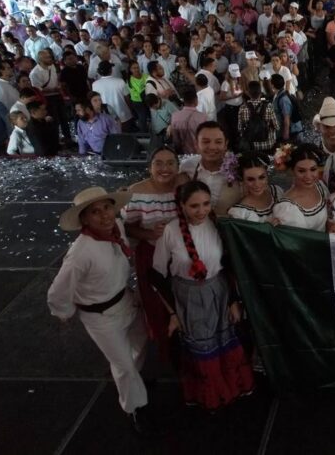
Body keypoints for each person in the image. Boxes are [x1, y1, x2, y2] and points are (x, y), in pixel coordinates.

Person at [47, 187, 158, 436]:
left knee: (139, 342)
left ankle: (133, 382)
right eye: (95, 212)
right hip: (100, 316)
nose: (104, 215)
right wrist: (63, 313)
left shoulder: (116, 226)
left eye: (107, 208)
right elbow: (57, 292)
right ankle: (135, 407)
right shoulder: (80, 254)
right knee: (123, 365)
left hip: (125, 300)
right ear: (85, 220)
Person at [151, 180, 254, 409]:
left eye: (206, 204)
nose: (201, 211)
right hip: (188, 296)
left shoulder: (216, 224)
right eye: (194, 206)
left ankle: (232, 387)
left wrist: (234, 300)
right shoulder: (171, 231)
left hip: (218, 290)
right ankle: (208, 395)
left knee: (223, 339)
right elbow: (157, 274)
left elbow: (228, 264)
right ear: (182, 205)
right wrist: (173, 313)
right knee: (201, 346)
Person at [123, 146, 180, 361]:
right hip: (150, 254)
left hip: (179, 255)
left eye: (170, 163)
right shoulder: (136, 192)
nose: (164, 169)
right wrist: (149, 232)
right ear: (150, 167)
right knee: (156, 303)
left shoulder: (183, 187)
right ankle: (165, 349)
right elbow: (127, 226)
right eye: (158, 163)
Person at [178, 121, 242, 216]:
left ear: (226, 144)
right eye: (206, 142)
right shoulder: (187, 167)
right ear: (196, 144)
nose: (212, 147)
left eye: (218, 142)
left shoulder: (238, 167)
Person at [273, 143, 331, 231]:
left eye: (313, 169)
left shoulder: (320, 186)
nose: (308, 176)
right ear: (292, 171)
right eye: (301, 171)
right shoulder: (287, 207)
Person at [228, 153, 283, 223]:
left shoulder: (277, 192)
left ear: (267, 175)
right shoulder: (239, 213)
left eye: (261, 177)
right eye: (250, 179)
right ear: (242, 180)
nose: (257, 184)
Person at [237, 80, 277, 153]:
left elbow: (240, 128)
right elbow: (276, 126)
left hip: (250, 145)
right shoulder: (268, 106)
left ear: (248, 93)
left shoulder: (242, 107)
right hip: (268, 144)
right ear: (260, 93)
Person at [168, 87, 208, 155]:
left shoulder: (175, 116)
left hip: (182, 153)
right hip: (198, 153)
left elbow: (176, 140)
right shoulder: (202, 117)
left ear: (184, 101)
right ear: (196, 101)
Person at [270, 73, 302, 144]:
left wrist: (286, 137)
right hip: (286, 130)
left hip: (292, 133)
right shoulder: (278, 94)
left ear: (272, 85)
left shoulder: (283, 99)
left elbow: (286, 118)